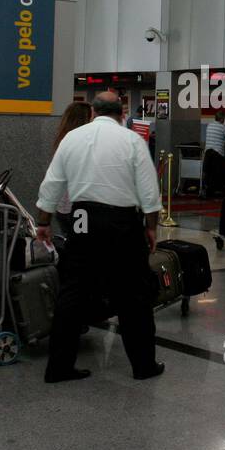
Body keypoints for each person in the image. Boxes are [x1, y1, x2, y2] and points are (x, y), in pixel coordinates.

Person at [35, 90, 166, 381]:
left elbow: (52, 184)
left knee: (73, 292)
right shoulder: (132, 140)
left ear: (93, 112)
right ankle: (143, 365)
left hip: (82, 220)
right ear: (121, 114)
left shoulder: (72, 138)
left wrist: (43, 222)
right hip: (123, 222)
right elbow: (149, 191)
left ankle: (58, 367)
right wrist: (152, 226)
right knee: (134, 295)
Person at [51, 101, 93, 236]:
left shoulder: (64, 140)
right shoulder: (84, 143)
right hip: (79, 208)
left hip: (63, 206)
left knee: (72, 245)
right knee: (82, 248)